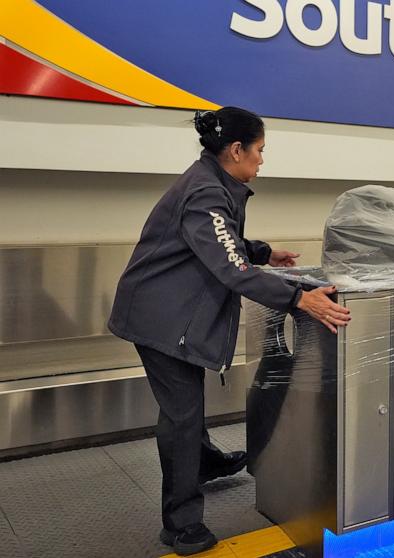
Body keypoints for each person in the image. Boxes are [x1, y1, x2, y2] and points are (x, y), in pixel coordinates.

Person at [108, 107, 351, 556]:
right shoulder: (205, 191)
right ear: (236, 150)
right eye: (259, 151)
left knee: (185, 406)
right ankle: (182, 526)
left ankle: (203, 462)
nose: (262, 160)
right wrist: (300, 298)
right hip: (160, 319)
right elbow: (230, 267)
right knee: (181, 416)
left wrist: (262, 251)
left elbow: (221, 243)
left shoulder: (214, 183)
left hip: (168, 311)